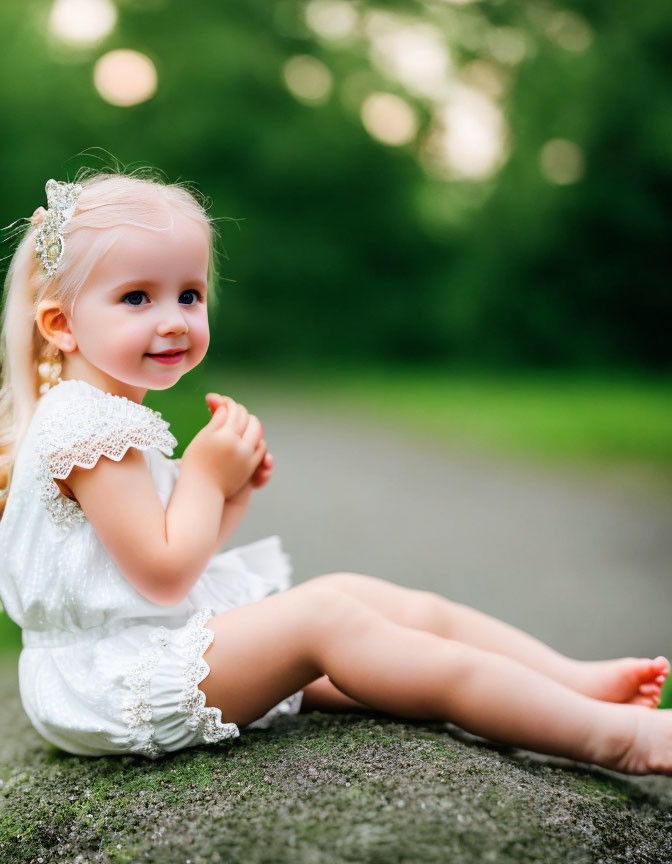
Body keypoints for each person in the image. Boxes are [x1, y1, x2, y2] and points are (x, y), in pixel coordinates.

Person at [0, 170, 669, 774]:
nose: (174, 320)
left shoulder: (93, 414)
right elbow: (165, 572)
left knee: (372, 604)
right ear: (61, 324)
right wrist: (203, 472)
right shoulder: (88, 426)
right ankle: (618, 738)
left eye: (190, 294)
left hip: (130, 652)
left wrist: (226, 494)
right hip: (112, 680)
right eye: (138, 297)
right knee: (326, 620)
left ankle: (565, 680)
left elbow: (171, 557)